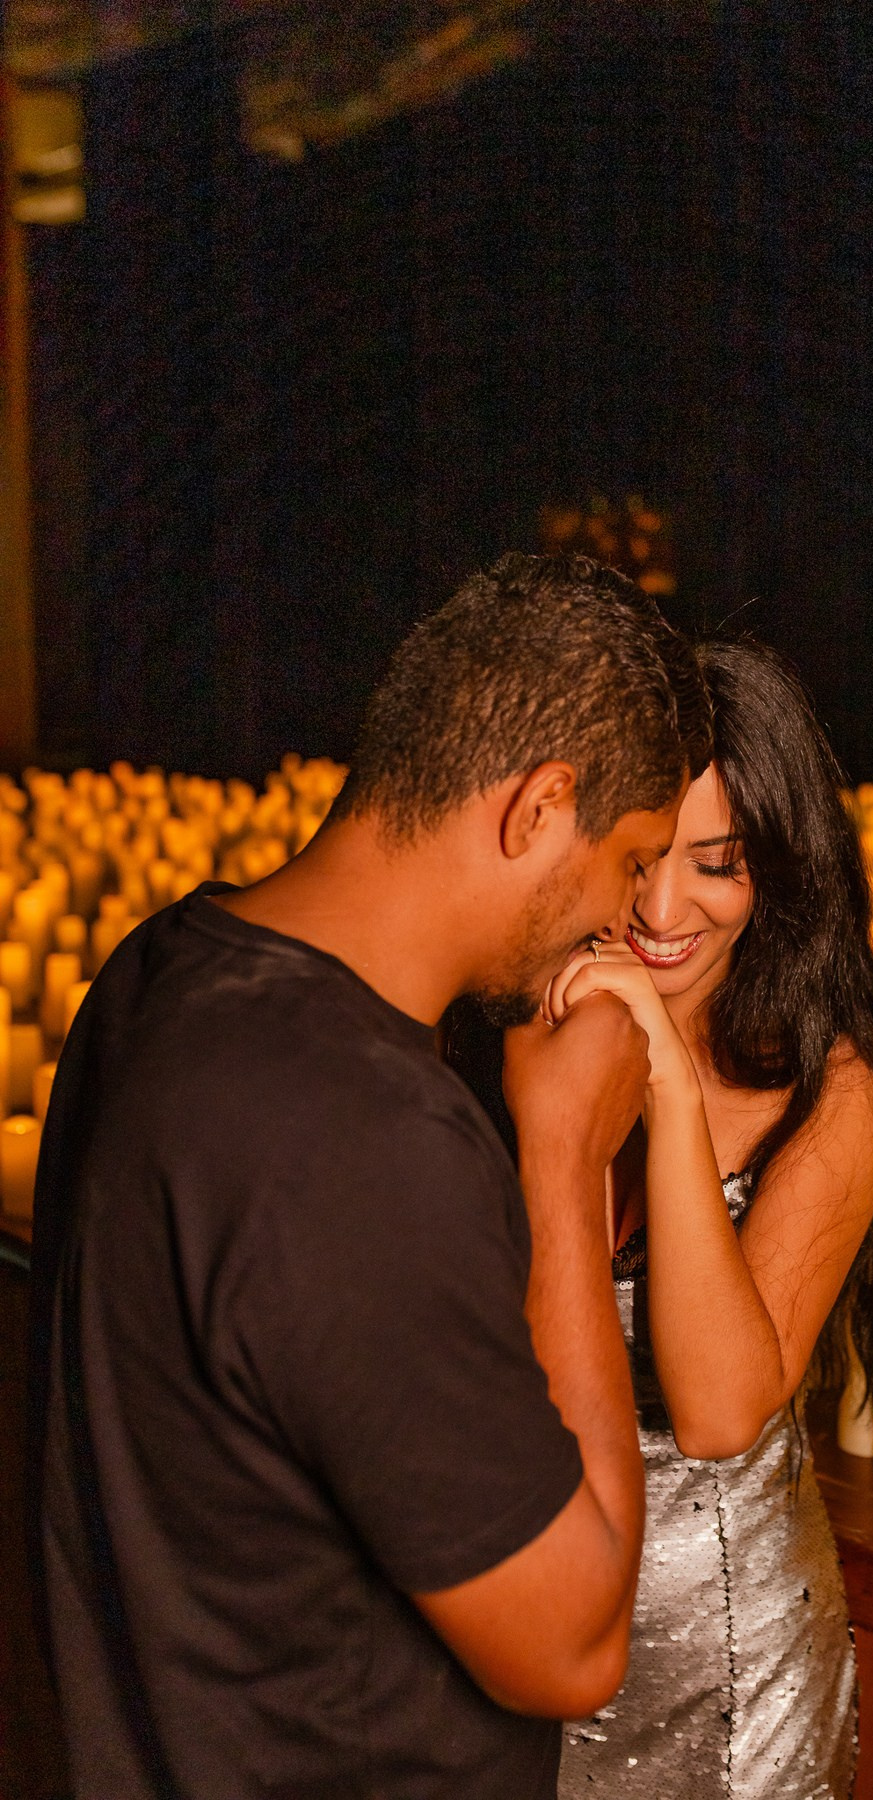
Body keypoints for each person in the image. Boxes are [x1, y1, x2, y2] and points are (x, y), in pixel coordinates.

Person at [27, 552, 713, 1800]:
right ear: (539, 808)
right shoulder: (358, 1134)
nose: (626, 920)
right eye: (630, 859)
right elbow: (571, 1647)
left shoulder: (156, 969)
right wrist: (565, 1157)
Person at [537, 638, 873, 1797]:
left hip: (729, 1657)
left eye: (720, 864)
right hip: (529, 1617)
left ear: (781, 870)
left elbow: (718, 1411)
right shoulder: (527, 1020)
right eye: (647, 857)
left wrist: (663, 1077)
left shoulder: (845, 1083)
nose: (663, 910)